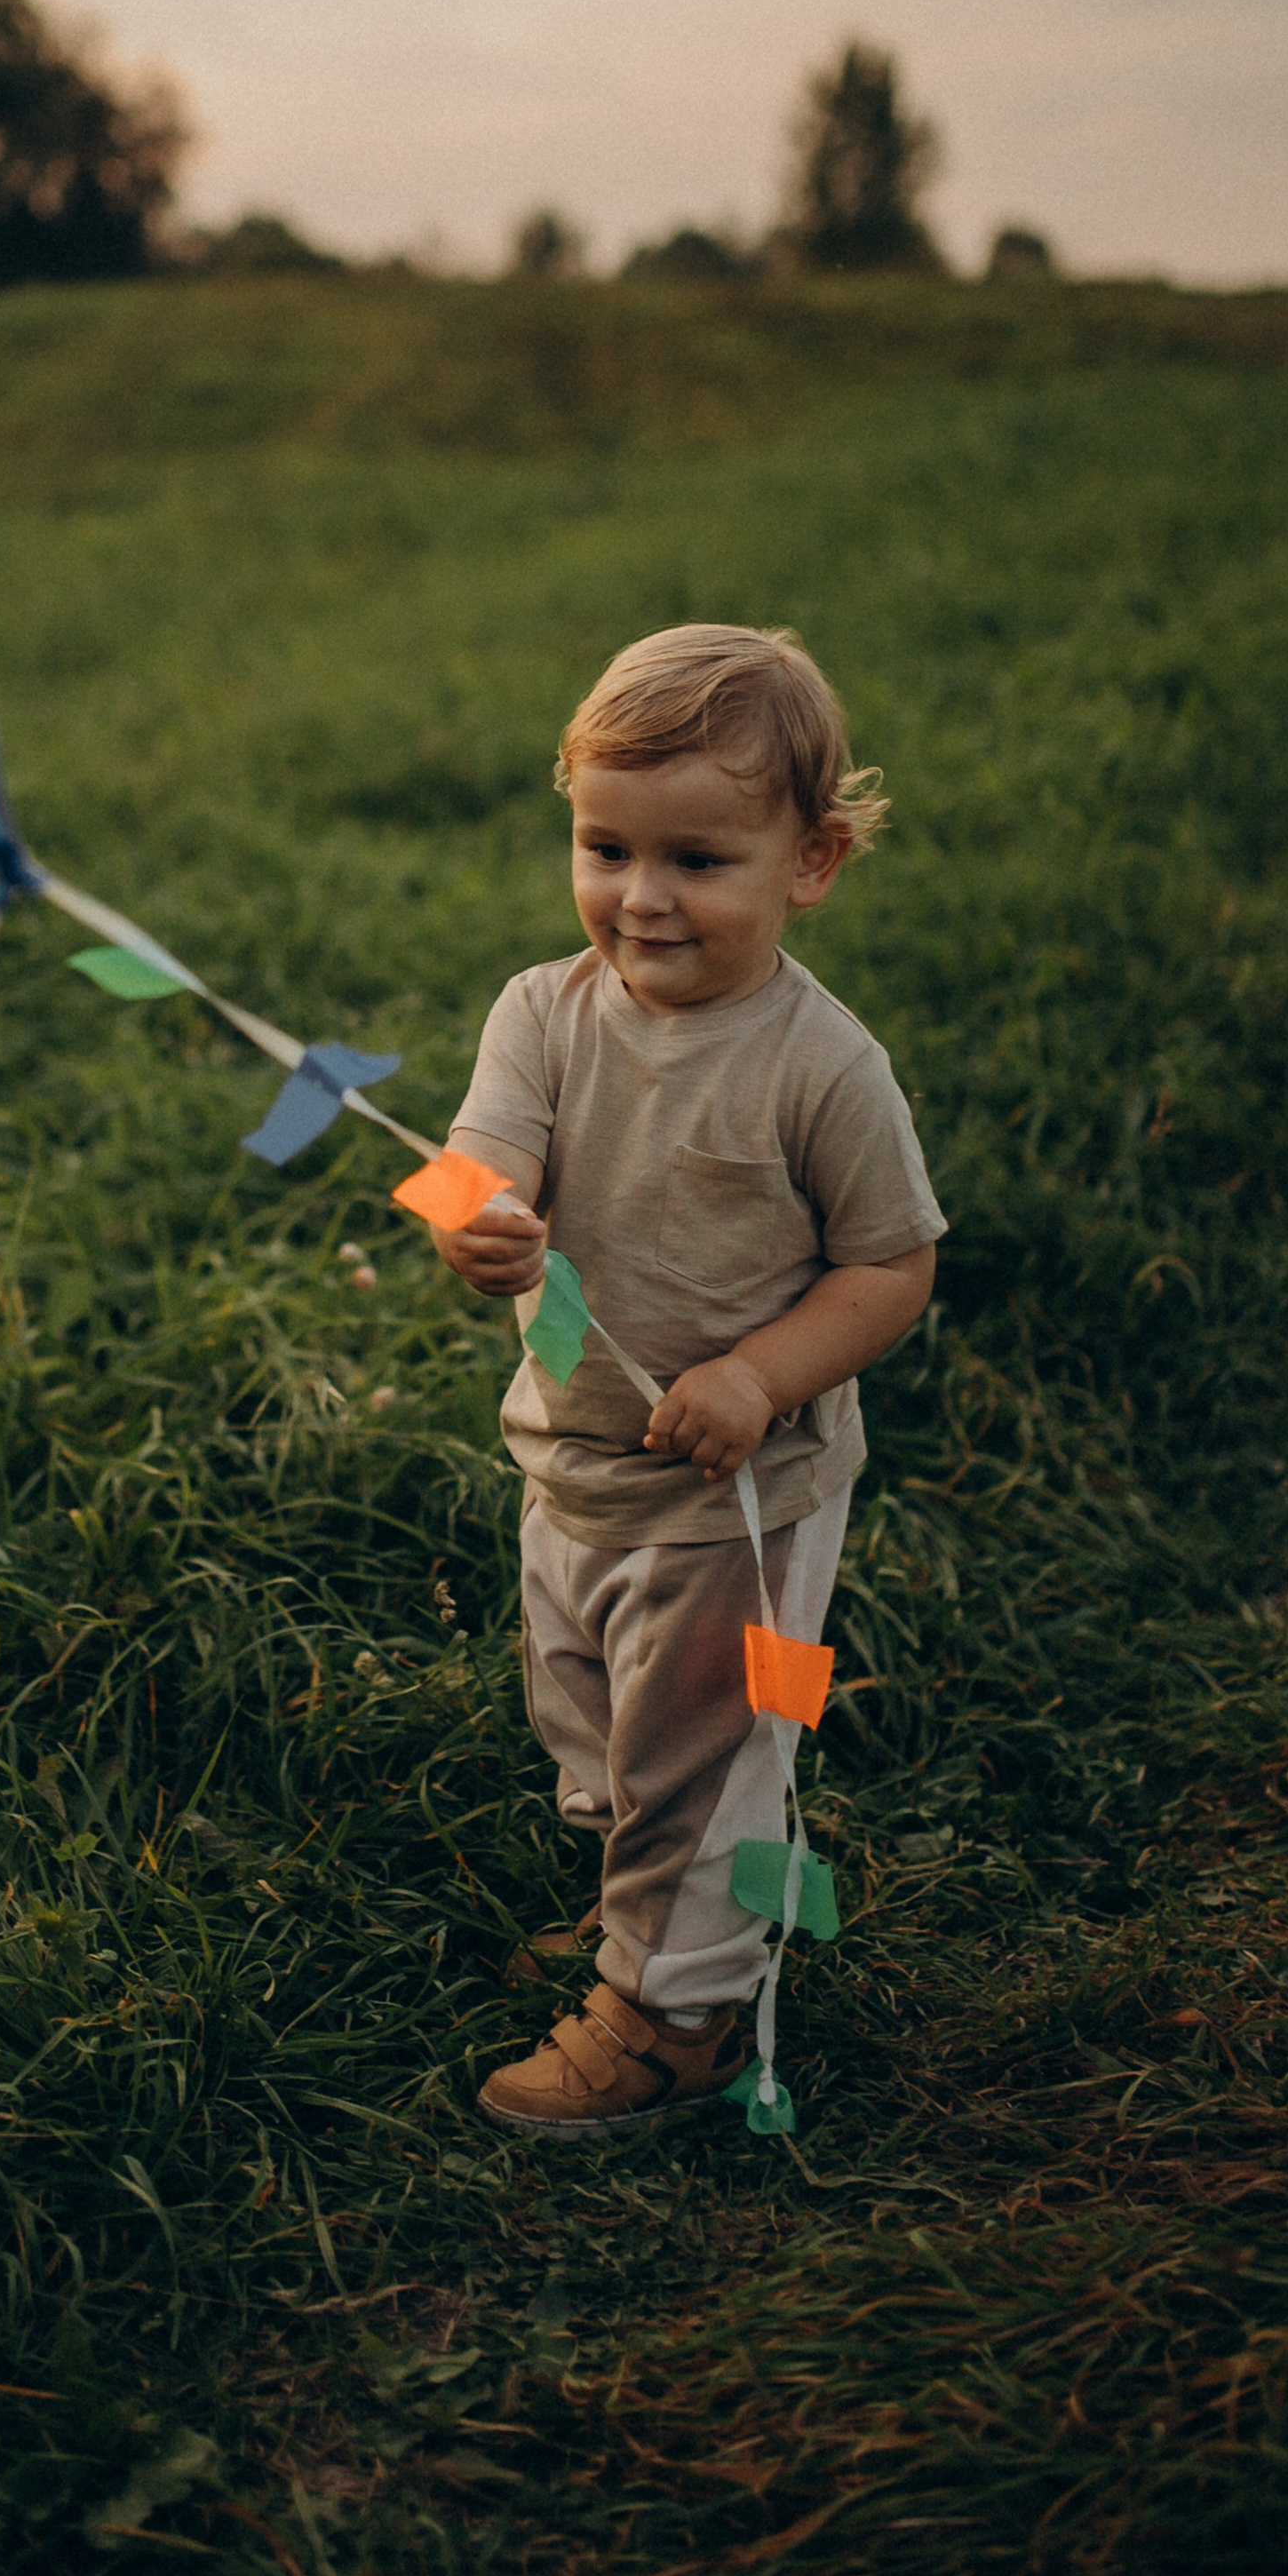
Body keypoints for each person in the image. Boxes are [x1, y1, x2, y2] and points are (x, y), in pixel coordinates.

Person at [426, 624, 945, 2135]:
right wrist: (477, 1215)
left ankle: (680, 2015)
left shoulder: (821, 1067)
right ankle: (645, 1918)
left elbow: (890, 1270)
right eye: (605, 846)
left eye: (699, 861)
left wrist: (761, 1375)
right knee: (588, 1719)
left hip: (743, 1502)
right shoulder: (541, 1011)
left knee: (703, 1757)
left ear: (813, 860)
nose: (639, 898)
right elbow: (479, 1155)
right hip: (574, 1462)